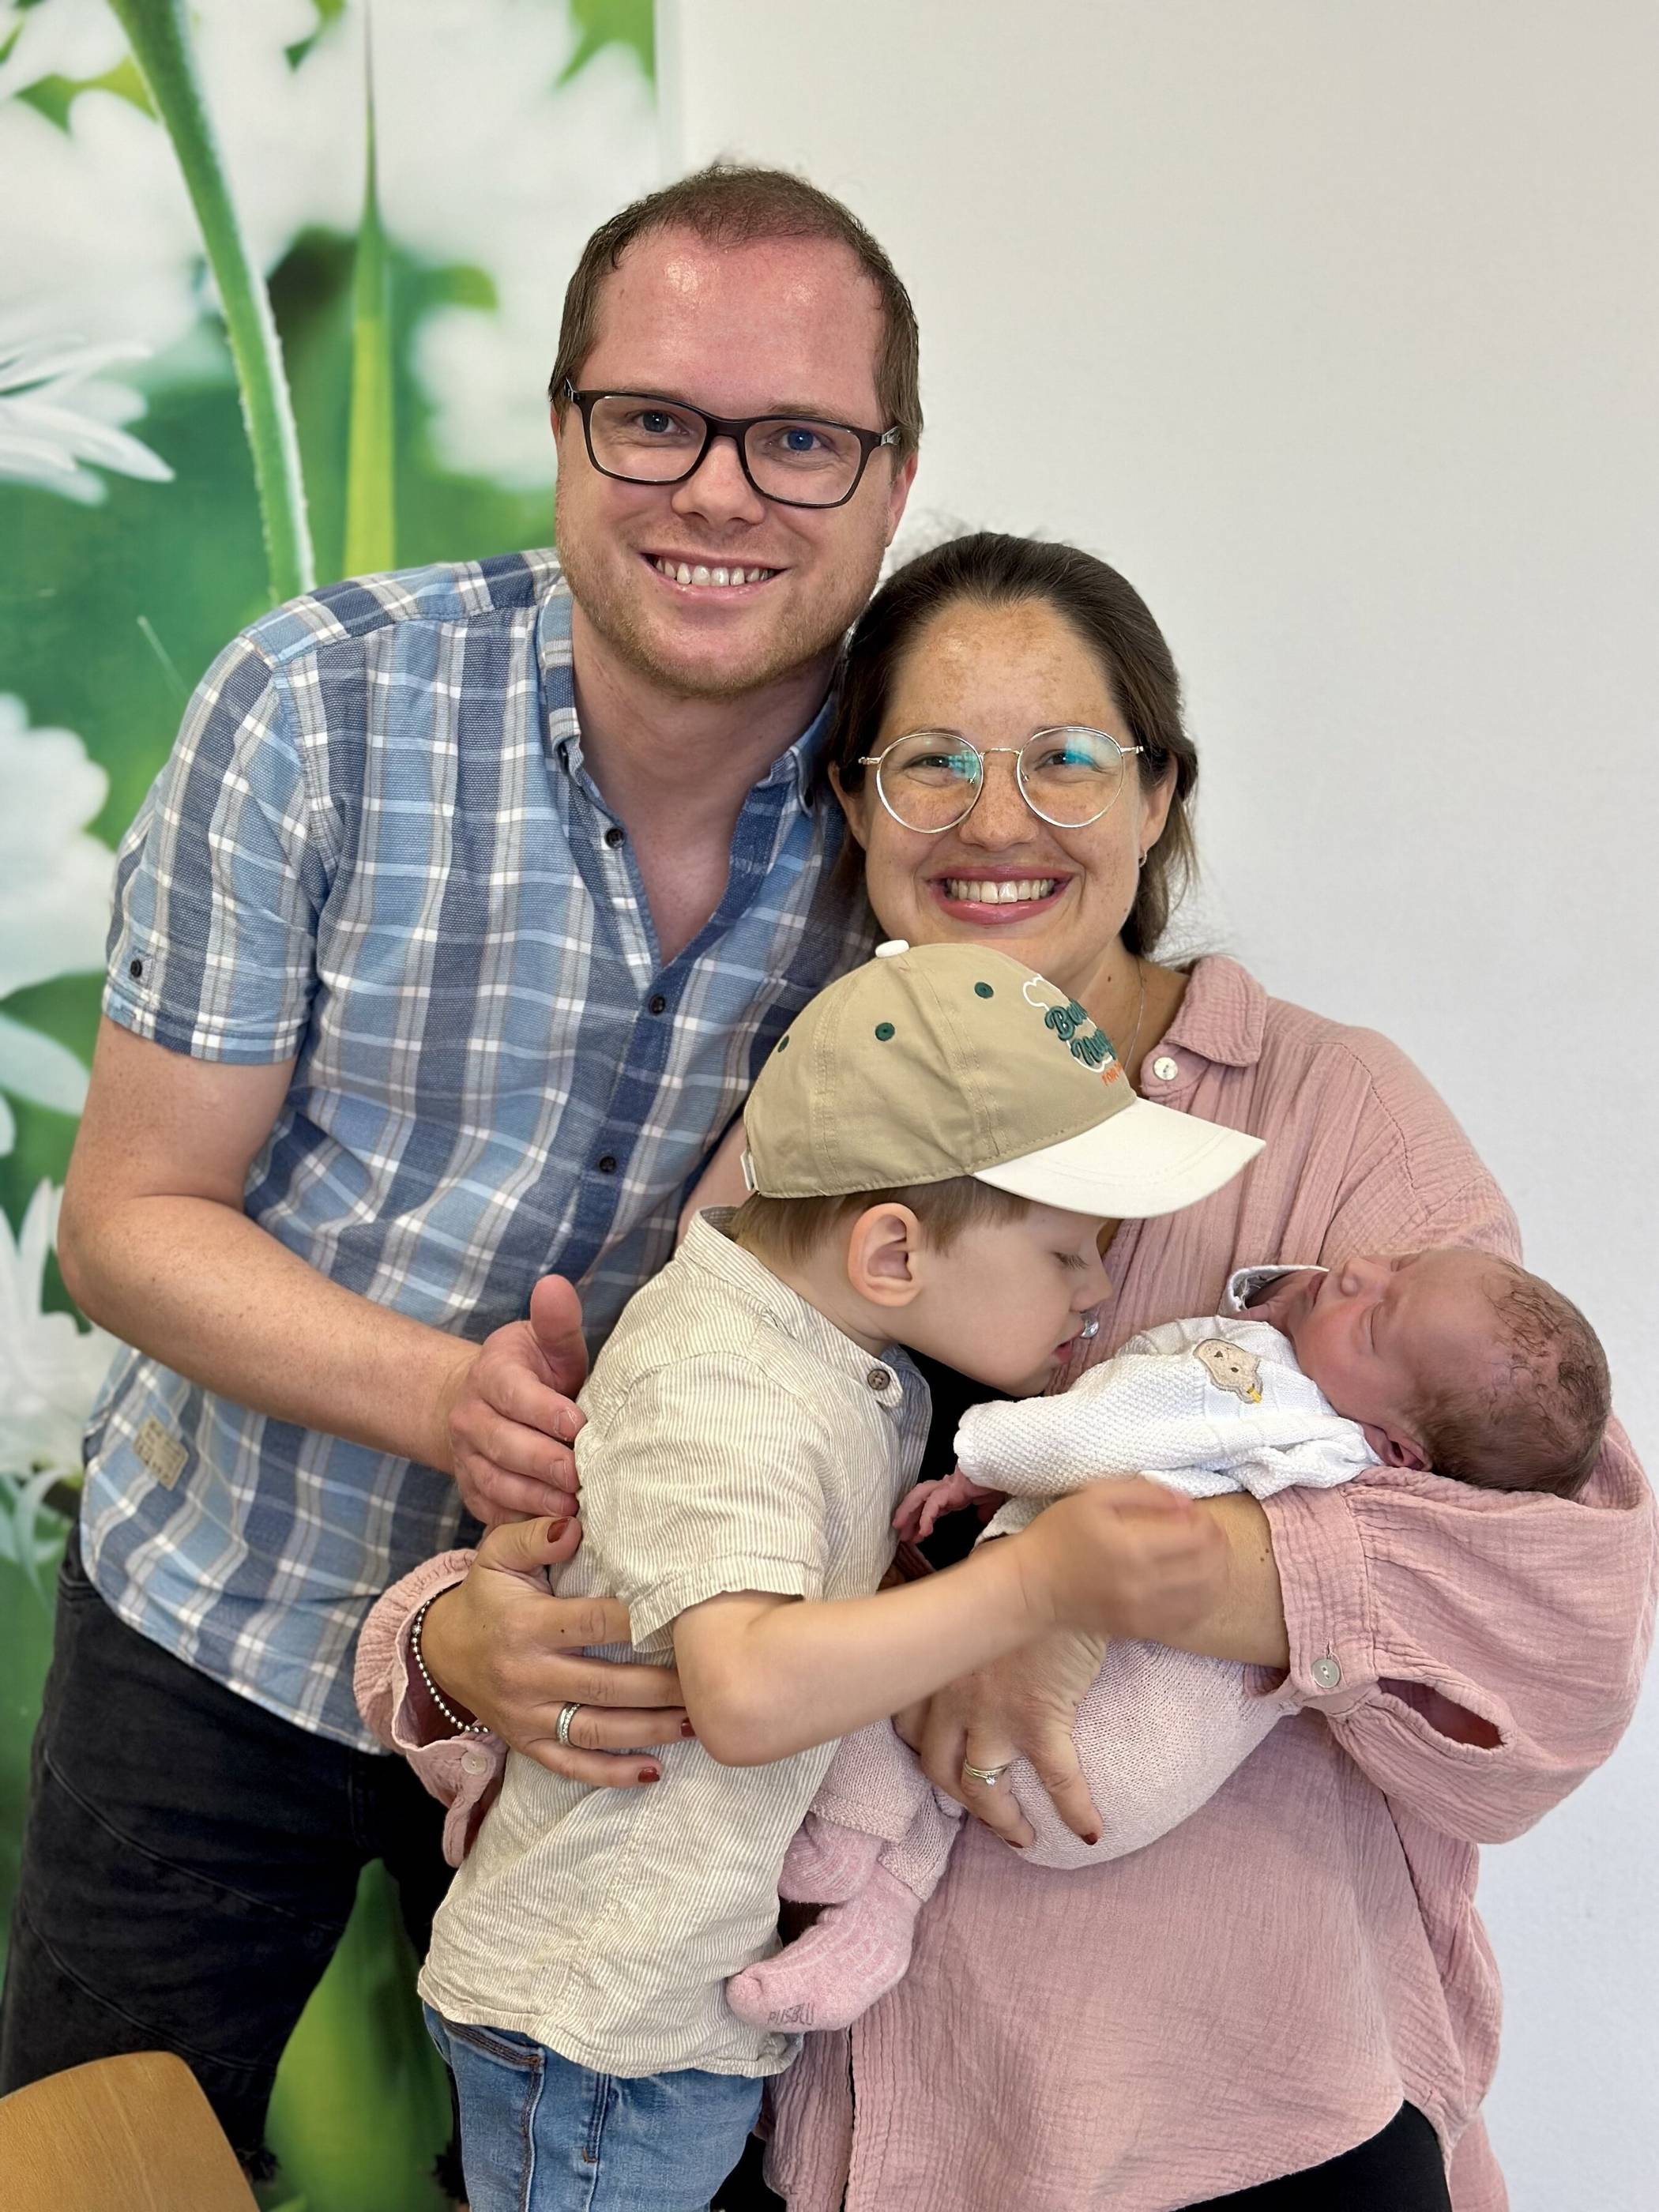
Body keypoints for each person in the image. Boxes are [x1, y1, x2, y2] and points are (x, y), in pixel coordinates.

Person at [388, 532, 1654, 2211]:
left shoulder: (1341, 1121)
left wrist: (1136, 1571)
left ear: (1160, 794)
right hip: (799, 2114)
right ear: (853, 806)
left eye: (1065, 757)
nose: (997, 819)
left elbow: (1566, 1618)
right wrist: (445, 1647)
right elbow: (645, 1539)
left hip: (1240, 2134)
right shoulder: (821, 1114)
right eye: (931, 763)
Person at [0, 161, 976, 2173]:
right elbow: (127, 1226)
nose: (721, 492)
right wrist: (449, 1395)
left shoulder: (931, 815)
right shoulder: (319, 704)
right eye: (657, 421)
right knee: (100, 2160)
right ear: (564, 433)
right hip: (224, 1619)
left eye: (798, 438)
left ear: (892, 480)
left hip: (614, 1702)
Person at [401, 938, 1261, 2211]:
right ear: (894, 1256)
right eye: (1070, 1253)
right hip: (604, 2037)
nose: (1099, 1290)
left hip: (647, 2012)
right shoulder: (731, 1390)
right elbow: (743, 1694)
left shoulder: (824, 1356)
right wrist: (1035, 1589)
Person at [726, 1244, 1612, 2033]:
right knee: (952, 1767)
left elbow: (1111, 1431)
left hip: (1113, 1721)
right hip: (1143, 1772)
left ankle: (844, 1837)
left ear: (1403, 1449)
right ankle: (878, 1920)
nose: (1356, 1271)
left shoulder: (1269, 1394)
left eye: (1376, 1318)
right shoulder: (1348, 1457)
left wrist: (985, 1459)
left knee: (905, 1685)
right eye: (1401, 1262)